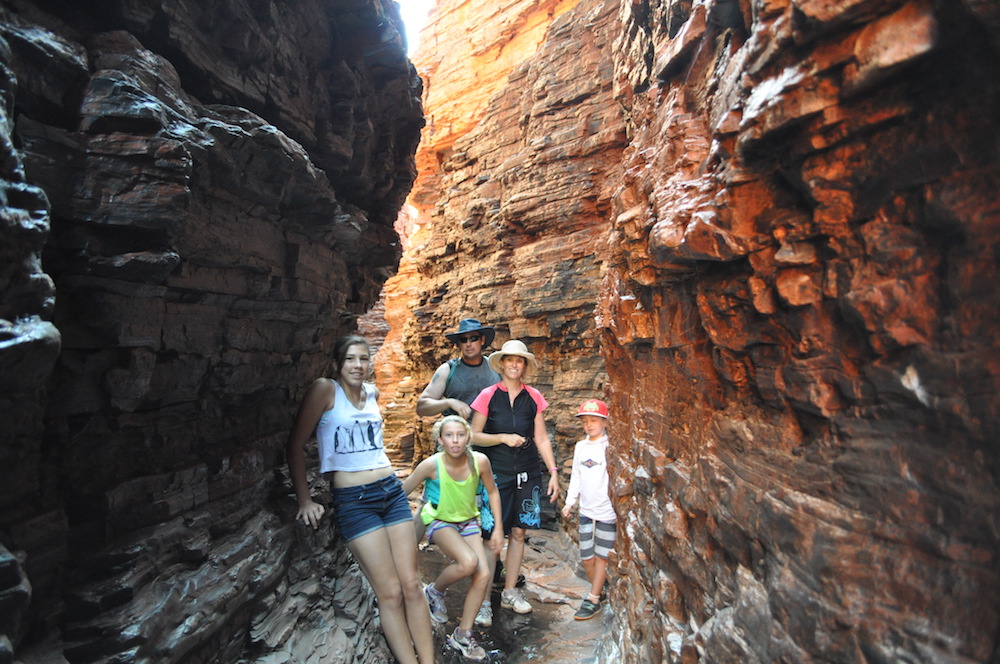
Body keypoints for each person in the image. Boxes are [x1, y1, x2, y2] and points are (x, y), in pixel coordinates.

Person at [286, 335, 434, 664]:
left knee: (412, 584)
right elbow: (295, 444)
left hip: (391, 492)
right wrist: (304, 500)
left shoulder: (373, 393)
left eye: (364, 359)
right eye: (351, 359)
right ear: (337, 364)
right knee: (390, 592)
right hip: (355, 501)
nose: (358, 365)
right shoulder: (325, 390)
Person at [402, 415, 504, 661]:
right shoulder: (431, 465)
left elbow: (492, 492)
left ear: (468, 437)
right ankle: (435, 591)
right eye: (449, 435)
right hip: (440, 520)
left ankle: (463, 633)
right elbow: (402, 491)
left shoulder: (480, 461)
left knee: (483, 574)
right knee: (469, 562)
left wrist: (498, 528)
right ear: (440, 440)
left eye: (460, 435)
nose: (455, 440)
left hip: (468, 522)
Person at [470, 339, 561, 616]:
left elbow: (541, 438)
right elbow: (473, 435)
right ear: (501, 364)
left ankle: (509, 592)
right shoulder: (488, 395)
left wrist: (553, 472)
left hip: (528, 473)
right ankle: (484, 601)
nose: (514, 364)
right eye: (509, 359)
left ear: (524, 366)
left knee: (519, 533)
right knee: (492, 538)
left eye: (519, 360)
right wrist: (502, 437)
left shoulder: (533, 396)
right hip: (495, 474)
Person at [560, 398, 617, 620]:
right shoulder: (581, 447)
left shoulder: (610, 446)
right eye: (585, 421)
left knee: (602, 556)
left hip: (606, 512)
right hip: (586, 511)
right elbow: (576, 475)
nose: (589, 425)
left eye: (594, 420)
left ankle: (593, 598)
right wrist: (569, 502)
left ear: (604, 422)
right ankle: (599, 592)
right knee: (587, 557)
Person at [416, 318, 499, 420]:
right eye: (463, 340)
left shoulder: (495, 367)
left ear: (482, 340)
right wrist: (449, 403)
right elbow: (421, 407)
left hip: (493, 429)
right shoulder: (448, 370)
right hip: (460, 429)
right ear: (458, 344)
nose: (468, 344)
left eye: (473, 338)